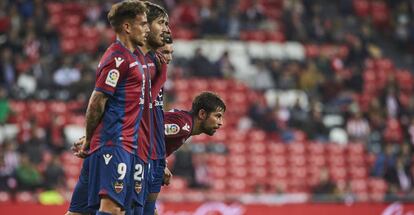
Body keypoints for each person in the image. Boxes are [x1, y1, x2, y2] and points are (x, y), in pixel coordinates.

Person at [66, 1, 150, 215]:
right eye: (143, 24)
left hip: (110, 144)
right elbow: (97, 100)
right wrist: (88, 137)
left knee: (78, 212)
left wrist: (90, 139)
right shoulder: (117, 59)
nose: (147, 28)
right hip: (114, 144)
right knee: (112, 210)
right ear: (127, 27)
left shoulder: (134, 56)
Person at [132, 2, 170, 215]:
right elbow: (139, 105)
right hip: (135, 150)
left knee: (147, 210)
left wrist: (162, 159)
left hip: (154, 152)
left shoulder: (156, 63)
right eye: (161, 23)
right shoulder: (136, 62)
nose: (166, 29)